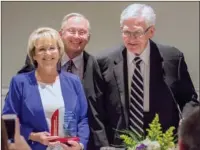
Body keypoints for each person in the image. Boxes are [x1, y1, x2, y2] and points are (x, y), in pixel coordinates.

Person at [96, 3, 199, 148]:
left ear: (151, 32)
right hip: (118, 141)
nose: (131, 39)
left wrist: (186, 122)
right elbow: (96, 110)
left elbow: (189, 99)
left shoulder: (172, 59)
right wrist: (103, 145)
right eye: (126, 32)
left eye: (137, 33)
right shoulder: (103, 61)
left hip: (163, 140)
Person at [10, 13, 104, 150]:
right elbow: (9, 121)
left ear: (59, 52)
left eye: (52, 48)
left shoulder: (73, 81)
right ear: (33, 55)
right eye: (42, 49)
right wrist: (33, 136)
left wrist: (80, 144)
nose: (48, 54)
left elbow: (83, 119)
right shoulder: (20, 82)